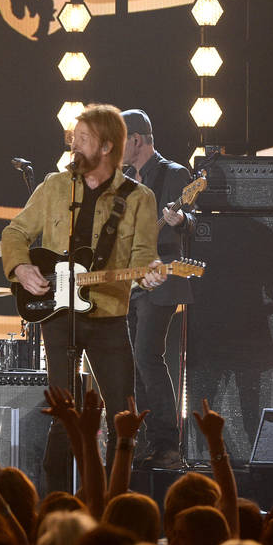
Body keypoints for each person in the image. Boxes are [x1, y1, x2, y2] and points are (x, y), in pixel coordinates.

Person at [0, 104, 167, 494]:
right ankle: (55, 502)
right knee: (63, 414)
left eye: (85, 138)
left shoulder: (139, 198)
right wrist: (21, 269)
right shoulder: (55, 186)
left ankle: (114, 500)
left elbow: (144, 258)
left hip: (110, 317)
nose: (75, 143)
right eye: (75, 137)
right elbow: (15, 233)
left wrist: (153, 274)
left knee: (122, 415)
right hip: (59, 316)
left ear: (107, 146)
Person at [121, 108, 196, 469]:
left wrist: (180, 219)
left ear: (136, 140)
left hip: (162, 277)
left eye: (119, 140)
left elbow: (192, 221)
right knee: (133, 363)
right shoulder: (121, 178)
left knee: (148, 356)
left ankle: (168, 444)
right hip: (128, 283)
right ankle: (147, 441)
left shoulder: (174, 173)